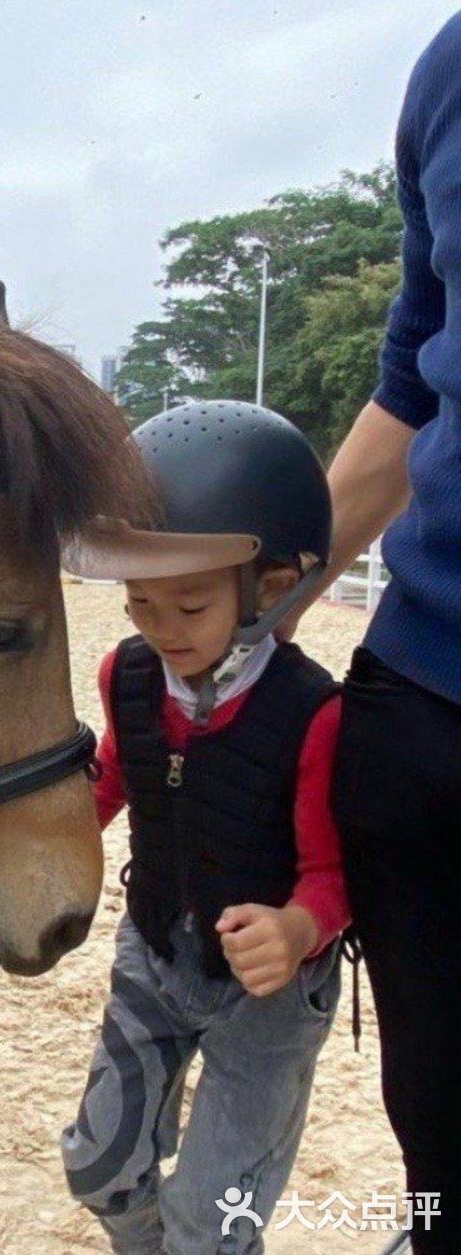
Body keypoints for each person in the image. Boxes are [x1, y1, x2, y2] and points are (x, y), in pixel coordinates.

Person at [60, 401, 351, 1255]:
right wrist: (50, 828)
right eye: (139, 602)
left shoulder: (314, 713)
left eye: (189, 605)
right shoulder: (127, 674)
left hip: (270, 994)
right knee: (98, 1168)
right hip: (155, 948)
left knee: (211, 1218)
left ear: (272, 588)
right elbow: (116, 775)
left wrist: (296, 928)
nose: (161, 629)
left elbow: (334, 873)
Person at [282, 15, 460, 1251]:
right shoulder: (448, 73)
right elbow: (413, 378)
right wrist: (256, 612)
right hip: (419, 694)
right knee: (435, 1121)